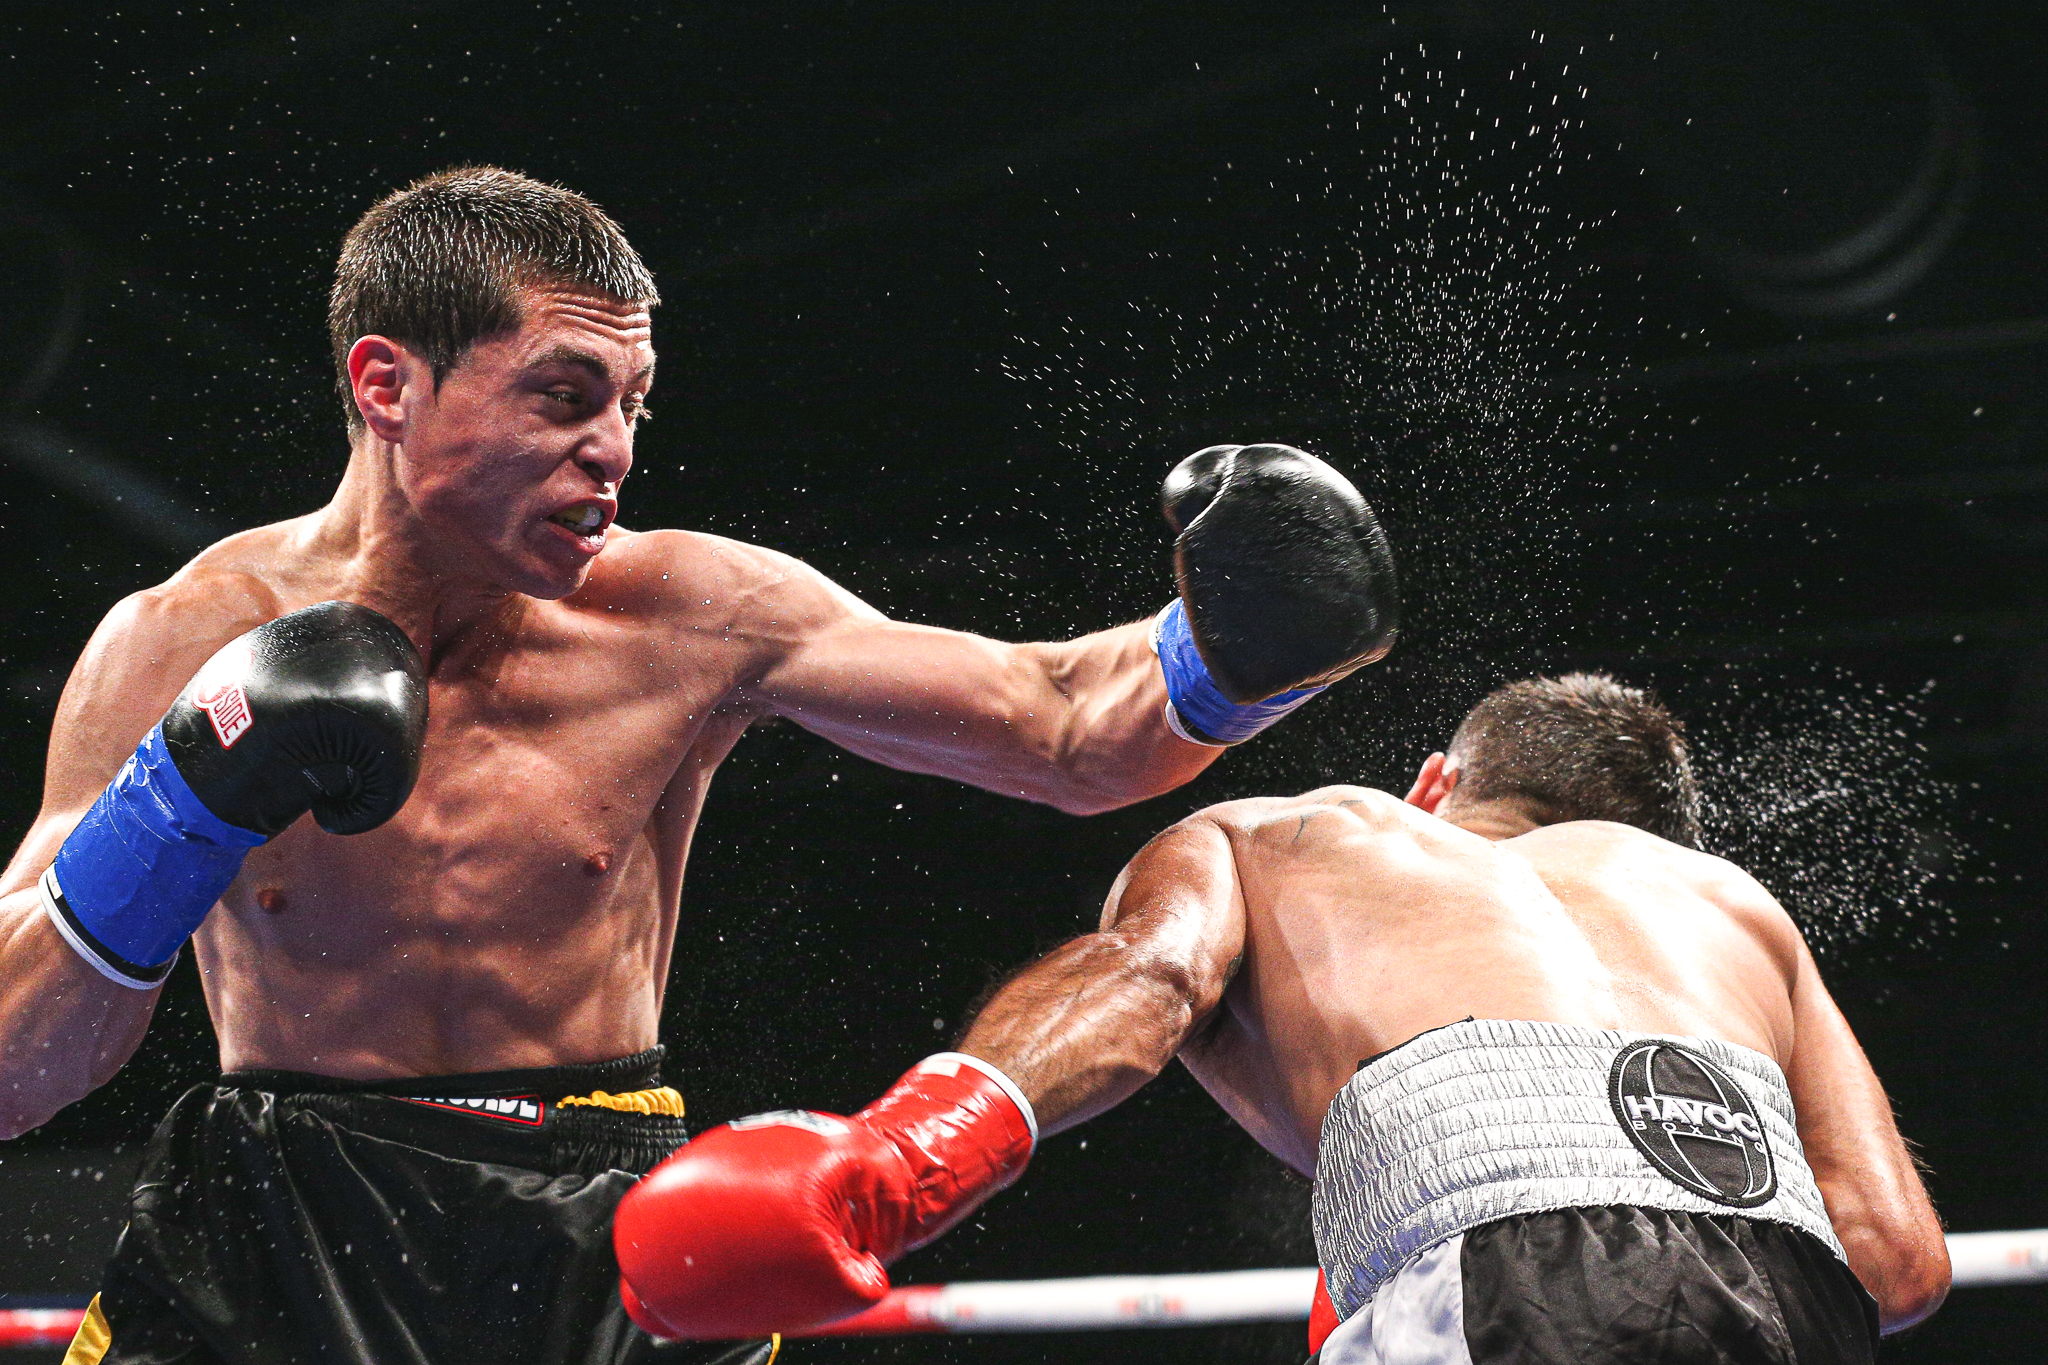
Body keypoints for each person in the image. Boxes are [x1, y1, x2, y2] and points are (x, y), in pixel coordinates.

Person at [0, 167, 1398, 1365]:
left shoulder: (683, 612)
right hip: (279, 1217)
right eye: (562, 396)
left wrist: (1229, 647)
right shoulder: (180, 643)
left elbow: (1061, 722)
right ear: (388, 384)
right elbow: (18, 1062)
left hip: (594, 1206)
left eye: (631, 404)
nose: (610, 452)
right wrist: (177, 804)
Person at [618, 673, 1951, 1364]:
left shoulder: (1302, 828)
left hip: (1512, 1274)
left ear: (1433, 782)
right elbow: (1897, 1262)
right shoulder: (1730, 905)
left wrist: (900, 1161)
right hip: (1786, 1296)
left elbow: (1141, 985)